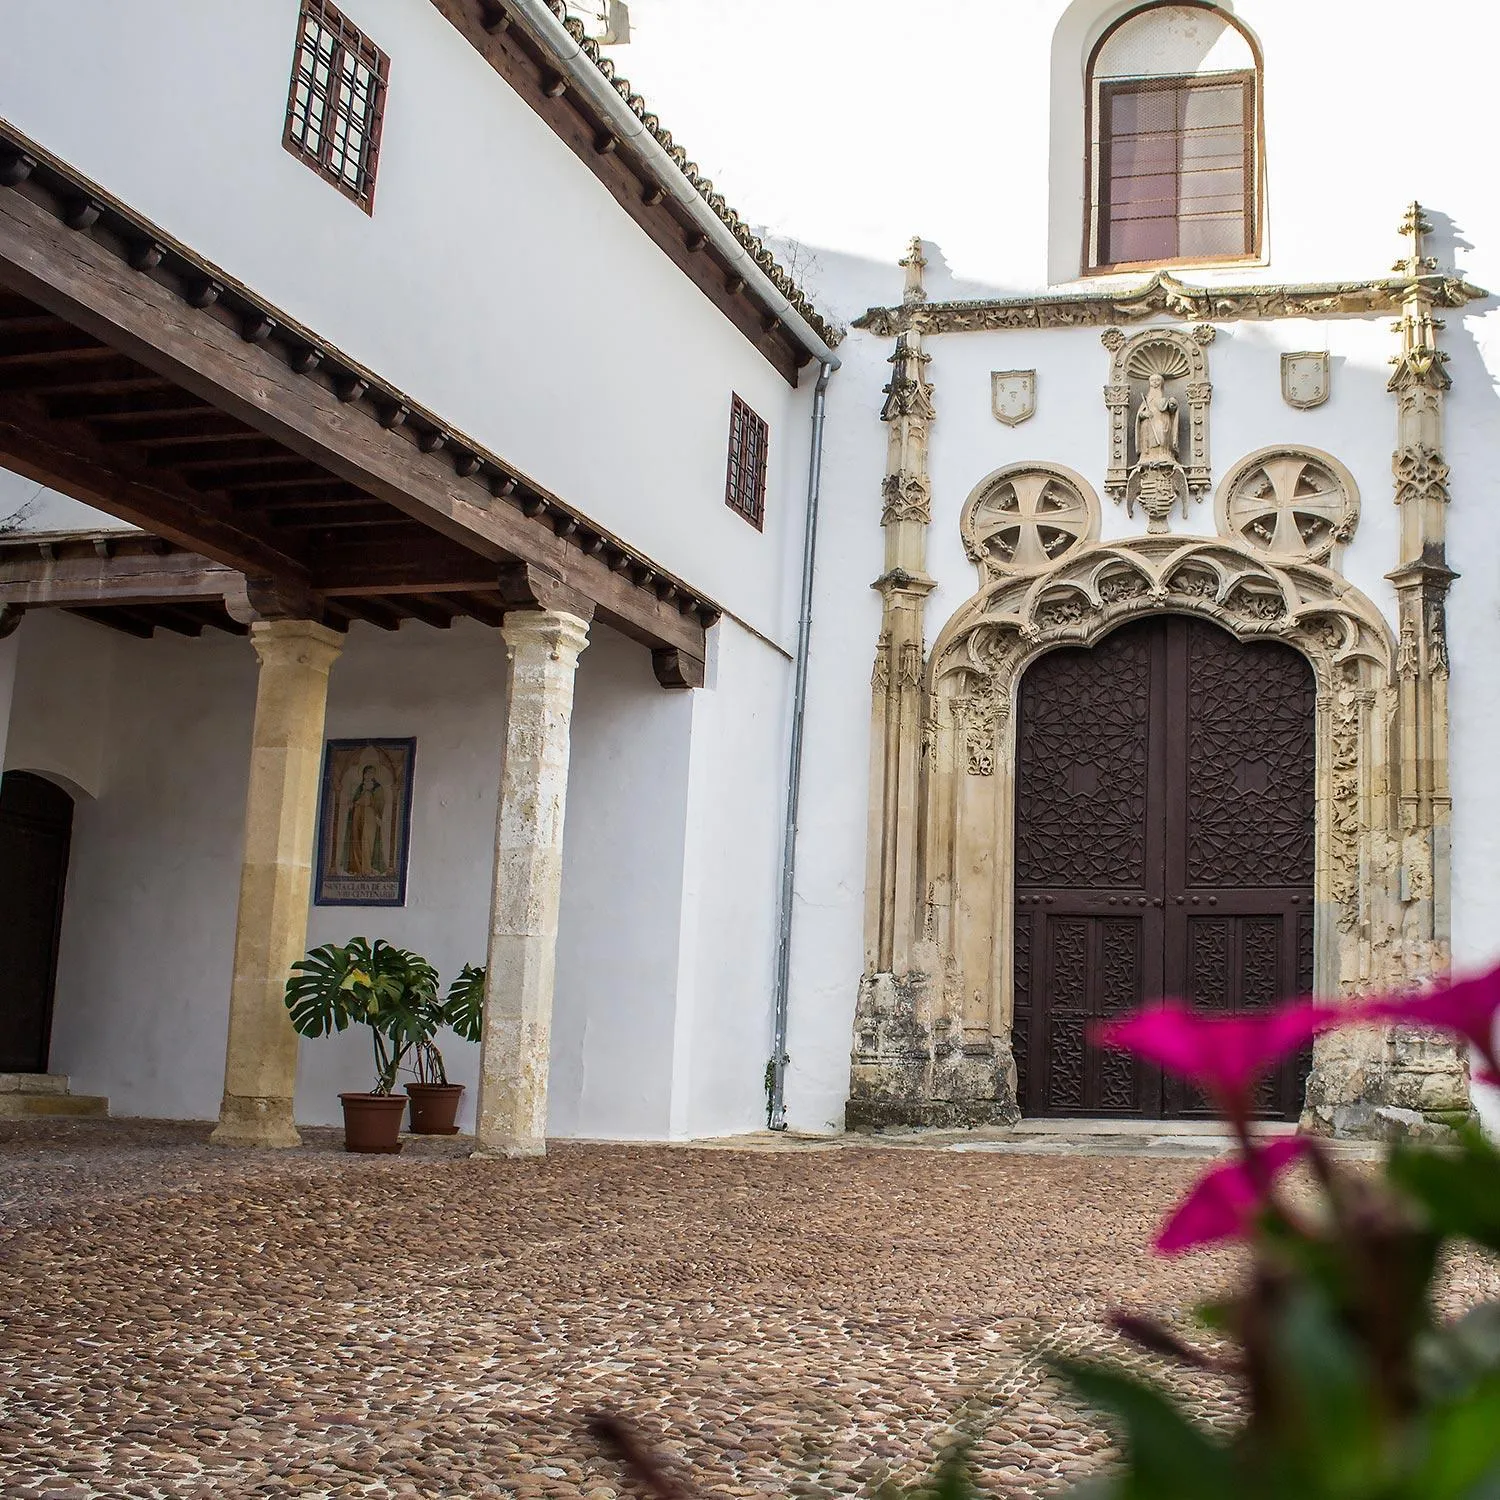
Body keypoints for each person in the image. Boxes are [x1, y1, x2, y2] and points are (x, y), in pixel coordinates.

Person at [1134, 372, 1179, 465]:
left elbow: (1172, 411)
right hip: (1148, 424)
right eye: (1152, 380)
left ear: (1161, 383)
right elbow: (1139, 414)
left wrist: (1173, 405)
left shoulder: (1165, 399)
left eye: (1157, 380)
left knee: (1162, 436)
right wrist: (1144, 414)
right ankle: (1147, 456)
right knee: (1149, 439)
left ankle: (1164, 454)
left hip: (1162, 421)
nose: (1155, 382)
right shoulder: (1147, 399)